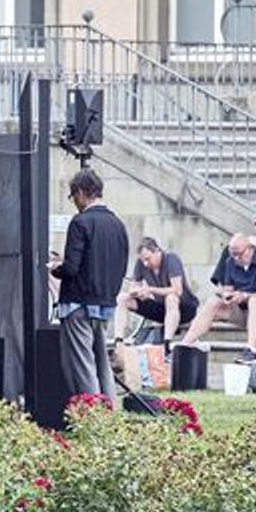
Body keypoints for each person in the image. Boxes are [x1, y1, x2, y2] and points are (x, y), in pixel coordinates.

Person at [48, 167, 130, 407]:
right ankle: (110, 411)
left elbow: (72, 268)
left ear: (82, 192)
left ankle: (93, 419)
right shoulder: (118, 224)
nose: (74, 202)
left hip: (78, 304)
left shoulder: (80, 222)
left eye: (73, 196)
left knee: (82, 365)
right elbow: (121, 266)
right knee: (102, 363)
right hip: (105, 304)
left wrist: (54, 268)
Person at [174, 231, 256, 362]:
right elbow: (228, 289)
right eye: (233, 254)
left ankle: (251, 350)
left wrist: (245, 296)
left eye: (238, 254)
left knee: (254, 301)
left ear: (249, 250)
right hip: (242, 310)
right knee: (213, 302)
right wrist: (227, 297)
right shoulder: (230, 261)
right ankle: (185, 344)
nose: (236, 258)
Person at [113, 236, 195, 346]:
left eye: (148, 259)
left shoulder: (171, 259)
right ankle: (118, 341)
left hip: (184, 307)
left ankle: (167, 343)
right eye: (143, 260)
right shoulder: (141, 263)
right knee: (122, 298)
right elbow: (133, 287)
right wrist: (138, 293)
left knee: (171, 298)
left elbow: (177, 290)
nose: (146, 263)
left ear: (157, 251)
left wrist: (150, 289)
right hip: (161, 308)